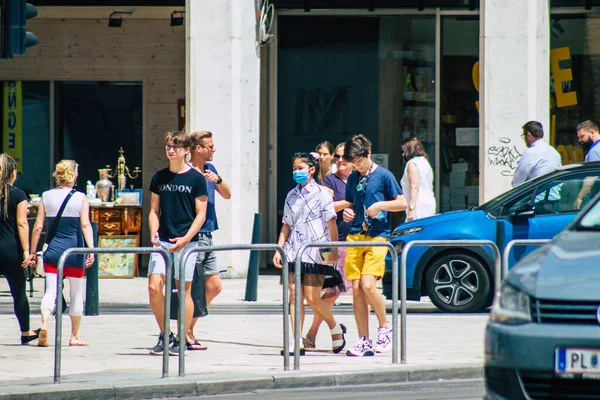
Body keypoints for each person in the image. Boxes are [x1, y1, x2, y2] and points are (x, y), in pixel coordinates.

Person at [273, 152, 346, 355]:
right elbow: (286, 224)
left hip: (315, 251)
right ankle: (296, 340)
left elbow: (331, 223)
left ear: (311, 170)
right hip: (293, 250)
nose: (296, 172)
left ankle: (334, 327)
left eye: (300, 168)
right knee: (294, 295)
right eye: (294, 168)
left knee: (313, 298)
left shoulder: (323, 193)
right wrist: (279, 248)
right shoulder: (291, 195)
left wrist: (331, 249)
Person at [341, 134, 407, 357]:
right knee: (357, 290)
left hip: (378, 235)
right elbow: (351, 202)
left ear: (369, 153)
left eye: (359, 161)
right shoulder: (353, 178)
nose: (357, 166)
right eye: (353, 162)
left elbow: (402, 203)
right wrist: (347, 212)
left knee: (368, 285)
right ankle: (363, 339)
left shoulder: (384, 176)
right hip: (355, 235)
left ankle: (384, 327)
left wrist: (380, 205)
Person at [147, 131, 208, 356]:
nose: (170, 150)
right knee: (154, 286)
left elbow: (201, 214)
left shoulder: (196, 178)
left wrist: (186, 239)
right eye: (168, 146)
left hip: (187, 242)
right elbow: (154, 210)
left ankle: (182, 338)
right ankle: (166, 334)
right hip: (162, 241)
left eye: (175, 147)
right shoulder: (159, 177)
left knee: (184, 290)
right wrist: (153, 231)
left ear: (185, 150)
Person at [30, 159, 95, 347]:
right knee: (76, 293)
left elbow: (38, 226)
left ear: (57, 176)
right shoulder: (81, 198)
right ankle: (74, 336)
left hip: (53, 251)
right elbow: (85, 224)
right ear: (75, 177)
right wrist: (90, 249)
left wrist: (33, 251)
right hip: (74, 252)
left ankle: (44, 323)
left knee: (50, 291)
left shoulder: (46, 196)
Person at [303, 143, 352, 351]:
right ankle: (315, 333)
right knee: (330, 290)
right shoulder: (328, 182)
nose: (340, 160)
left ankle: (319, 332)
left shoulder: (358, 181)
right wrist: (349, 204)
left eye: (345, 157)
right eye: (338, 157)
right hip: (331, 243)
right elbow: (326, 206)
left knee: (340, 291)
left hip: (353, 242)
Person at [187, 131, 232, 351]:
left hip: (208, 235)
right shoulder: (186, 172)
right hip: (193, 237)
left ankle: (187, 328)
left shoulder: (210, 170)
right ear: (198, 148)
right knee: (190, 287)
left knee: (213, 286)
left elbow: (227, 194)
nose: (213, 150)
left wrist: (218, 180)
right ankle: (185, 332)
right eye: (210, 146)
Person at [0, 154, 39, 345]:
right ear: (12, 173)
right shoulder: (18, 195)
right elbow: (22, 224)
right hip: (11, 250)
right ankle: (26, 332)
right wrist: (26, 251)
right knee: (18, 292)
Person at [511, 121, 561, 187]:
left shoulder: (530, 153)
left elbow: (517, 182)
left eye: (524, 136)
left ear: (528, 135)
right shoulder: (554, 152)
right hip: (554, 196)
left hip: (536, 196)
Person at [400, 137, 436, 221]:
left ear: (409, 150)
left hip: (418, 206)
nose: (402, 154)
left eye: (404, 151)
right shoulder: (425, 162)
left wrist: (411, 211)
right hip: (429, 204)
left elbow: (414, 187)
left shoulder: (412, 164)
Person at [574, 120, 600, 209]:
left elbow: (591, 178)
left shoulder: (595, 151)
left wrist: (579, 198)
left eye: (582, 136)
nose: (580, 140)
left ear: (592, 133)